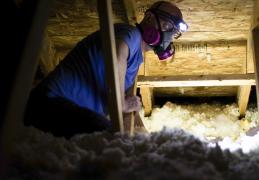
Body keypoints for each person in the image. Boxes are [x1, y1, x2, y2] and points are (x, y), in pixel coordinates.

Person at [24, 1, 188, 138]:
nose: (169, 35)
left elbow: (130, 113)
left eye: (173, 32)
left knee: (114, 141)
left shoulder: (136, 60)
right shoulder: (130, 34)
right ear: (149, 17)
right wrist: (121, 103)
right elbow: (118, 54)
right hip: (48, 103)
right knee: (108, 137)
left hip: (68, 112)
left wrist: (148, 141)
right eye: (167, 25)